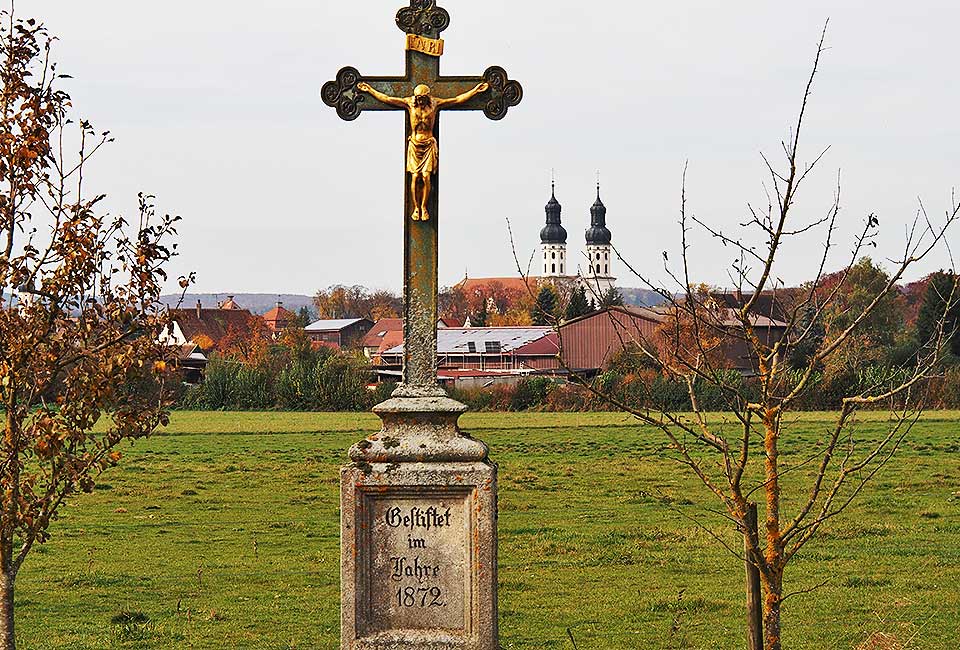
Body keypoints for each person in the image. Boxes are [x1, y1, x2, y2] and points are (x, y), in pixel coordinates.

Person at [356, 81, 489, 221]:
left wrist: (475, 91)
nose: (418, 100)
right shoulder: (409, 103)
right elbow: (388, 99)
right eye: (417, 97)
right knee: (415, 177)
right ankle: (416, 208)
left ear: (427, 96)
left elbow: (456, 100)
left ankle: (424, 207)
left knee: (426, 176)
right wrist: (370, 90)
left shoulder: (435, 103)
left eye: (421, 98)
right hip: (415, 144)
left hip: (428, 144)